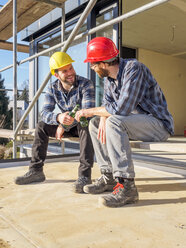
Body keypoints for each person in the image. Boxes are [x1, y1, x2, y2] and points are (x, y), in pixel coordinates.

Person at [75, 37, 174, 207]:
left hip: (158, 125)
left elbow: (122, 109)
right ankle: (109, 177)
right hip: (133, 124)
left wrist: (89, 112)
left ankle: (127, 186)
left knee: (113, 121)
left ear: (103, 63)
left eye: (93, 64)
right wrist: (103, 116)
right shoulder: (108, 80)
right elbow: (108, 106)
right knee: (95, 124)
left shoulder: (134, 69)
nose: (91, 67)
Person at [15, 51, 95, 193]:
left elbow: (87, 112)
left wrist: (63, 125)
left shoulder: (86, 84)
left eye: (71, 68)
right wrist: (58, 118)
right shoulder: (52, 88)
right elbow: (44, 112)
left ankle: (84, 176)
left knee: (86, 124)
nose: (70, 72)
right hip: (65, 123)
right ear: (56, 75)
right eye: (65, 70)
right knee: (41, 126)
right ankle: (36, 171)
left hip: (81, 126)